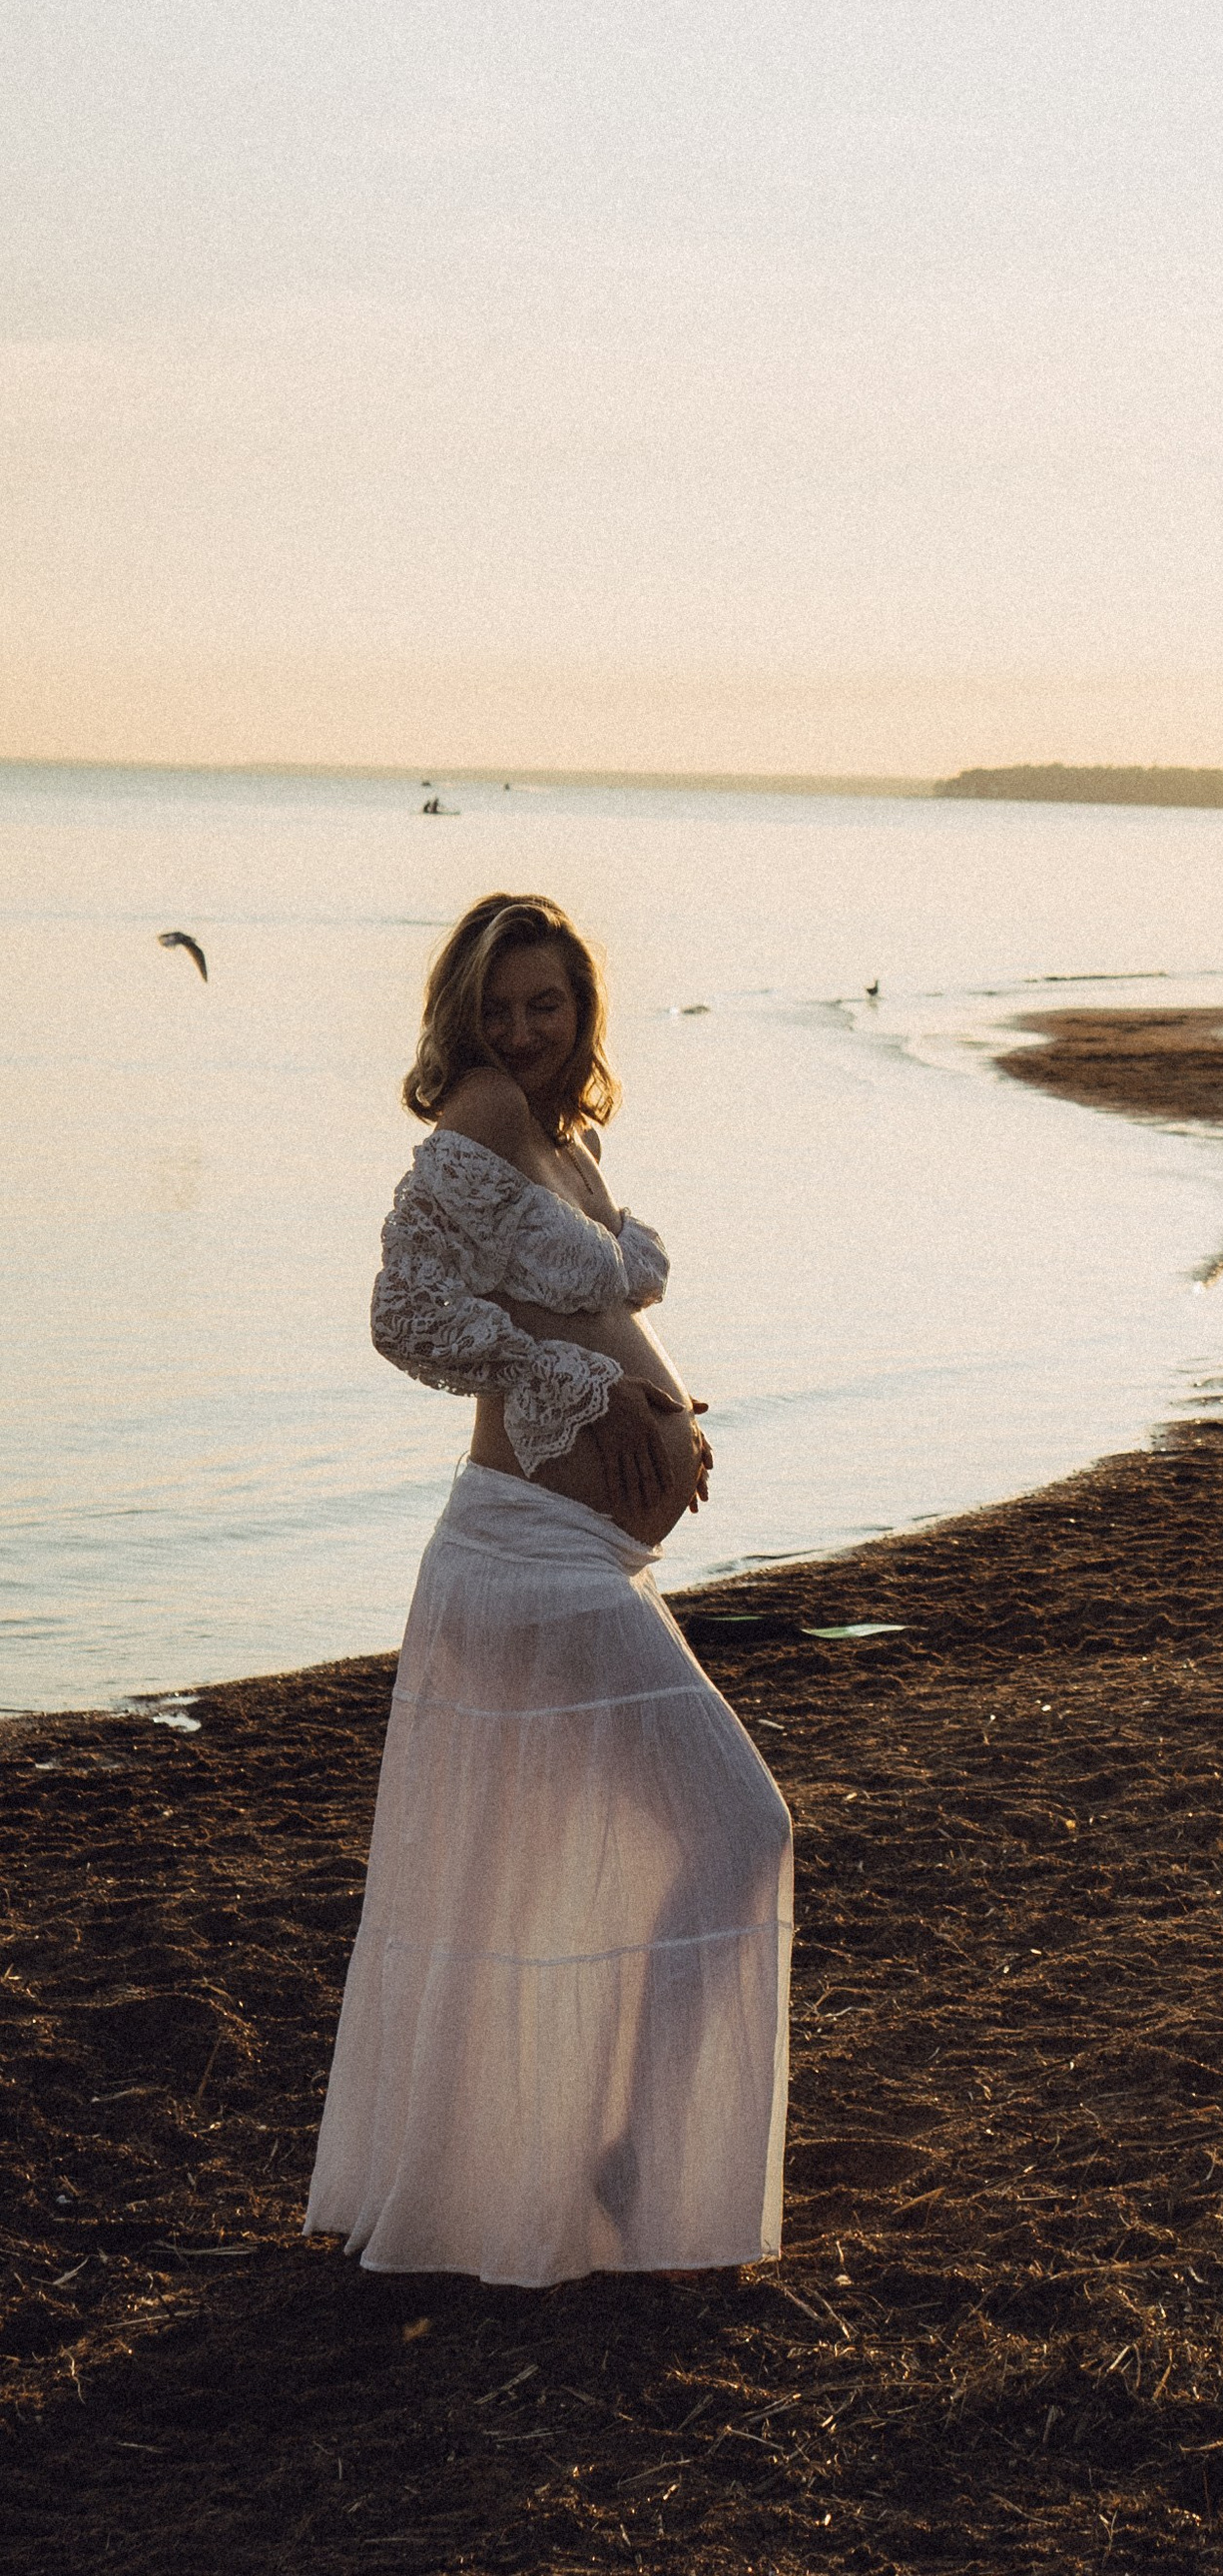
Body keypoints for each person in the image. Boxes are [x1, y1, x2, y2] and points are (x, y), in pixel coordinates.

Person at [306, 892, 793, 2283]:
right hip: (524, 1564)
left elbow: (557, 1303)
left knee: (650, 1850)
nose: (522, 1032)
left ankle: (598, 2151)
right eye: (499, 1008)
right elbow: (408, 1317)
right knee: (742, 1827)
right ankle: (633, 2153)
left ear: (583, 1013)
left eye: (547, 1006)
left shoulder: (562, 1143)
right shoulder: (473, 1124)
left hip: (576, 1559)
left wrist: (658, 1401)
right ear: (463, 1018)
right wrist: (582, 1386)